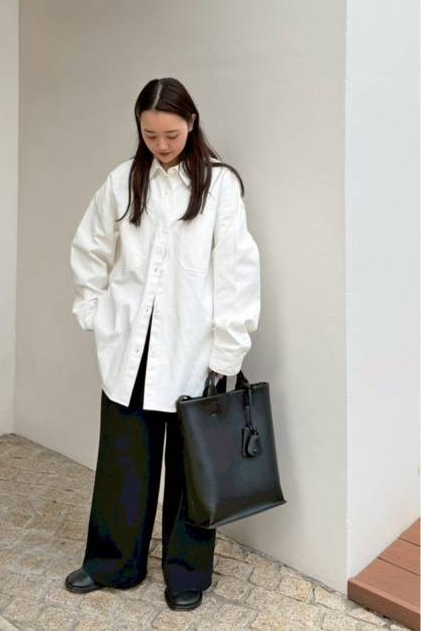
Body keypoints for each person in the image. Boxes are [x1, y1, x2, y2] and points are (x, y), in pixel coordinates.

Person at [65, 77, 261, 611]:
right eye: (150, 135)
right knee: (123, 463)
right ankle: (111, 564)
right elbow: (89, 247)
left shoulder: (220, 185)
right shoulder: (123, 180)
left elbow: (236, 269)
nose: (161, 145)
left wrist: (229, 349)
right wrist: (93, 312)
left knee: (192, 469)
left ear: (191, 123)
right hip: (130, 345)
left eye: (171, 134)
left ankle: (187, 574)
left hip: (193, 347)